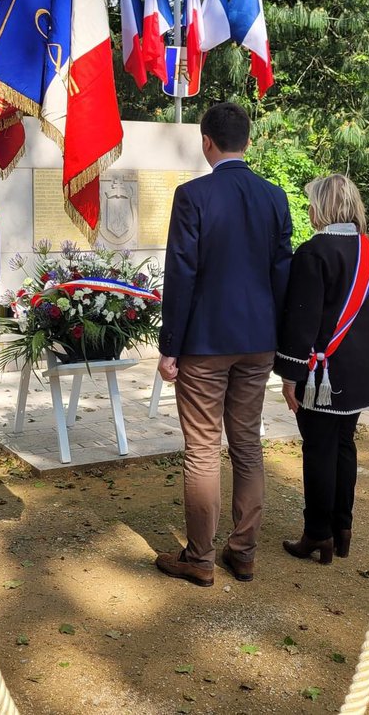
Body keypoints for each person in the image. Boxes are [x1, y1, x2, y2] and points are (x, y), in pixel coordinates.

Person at [154, 102, 293, 587]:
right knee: (248, 444)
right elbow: (282, 275)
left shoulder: (193, 195)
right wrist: (278, 339)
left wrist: (169, 345)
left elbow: (182, 273)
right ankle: (244, 550)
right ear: (248, 142)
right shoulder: (275, 198)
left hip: (206, 342)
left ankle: (199, 556)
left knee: (203, 449)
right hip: (258, 341)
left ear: (206, 141)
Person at [275, 174, 369, 564]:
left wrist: (289, 374)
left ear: (321, 206)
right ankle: (342, 529)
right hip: (360, 369)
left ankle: (318, 534)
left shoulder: (314, 252)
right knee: (344, 445)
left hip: (321, 375)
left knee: (320, 449)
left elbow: (301, 321)